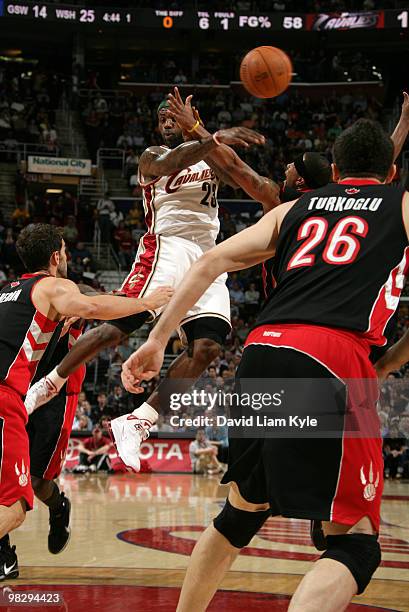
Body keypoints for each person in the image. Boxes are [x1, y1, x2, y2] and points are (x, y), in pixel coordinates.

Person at [120, 118, 407, 611]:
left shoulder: (293, 208)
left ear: (335, 169)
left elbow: (208, 263)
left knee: (242, 512)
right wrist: (385, 366)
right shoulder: (399, 202)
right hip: (333, 355)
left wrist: (158, 340)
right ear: (393, 169)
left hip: (263, 353)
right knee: (354, 542)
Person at [25, 94, 280, 473]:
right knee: (122, 323)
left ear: (192, 118)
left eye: (174, 115)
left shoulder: (211, 156)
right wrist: (211, 138)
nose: (166, 120)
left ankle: (139, 420)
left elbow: (252, 184)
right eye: (161, 116)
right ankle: (49, 382)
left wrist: (212, 140)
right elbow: (172, 162)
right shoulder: (152, 155)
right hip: (167, 245)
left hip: (209, 252)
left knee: (208, 346)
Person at [0, 223, 172, 581]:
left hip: (55, 393)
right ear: (56, 256)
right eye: (64, 249)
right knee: (11, 493)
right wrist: (151, 303)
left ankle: (58, 505)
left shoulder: (27, 291)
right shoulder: (53, 290)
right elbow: (93, 306)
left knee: (34, 478)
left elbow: (98, 315)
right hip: (16, 391)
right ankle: (5, 553)